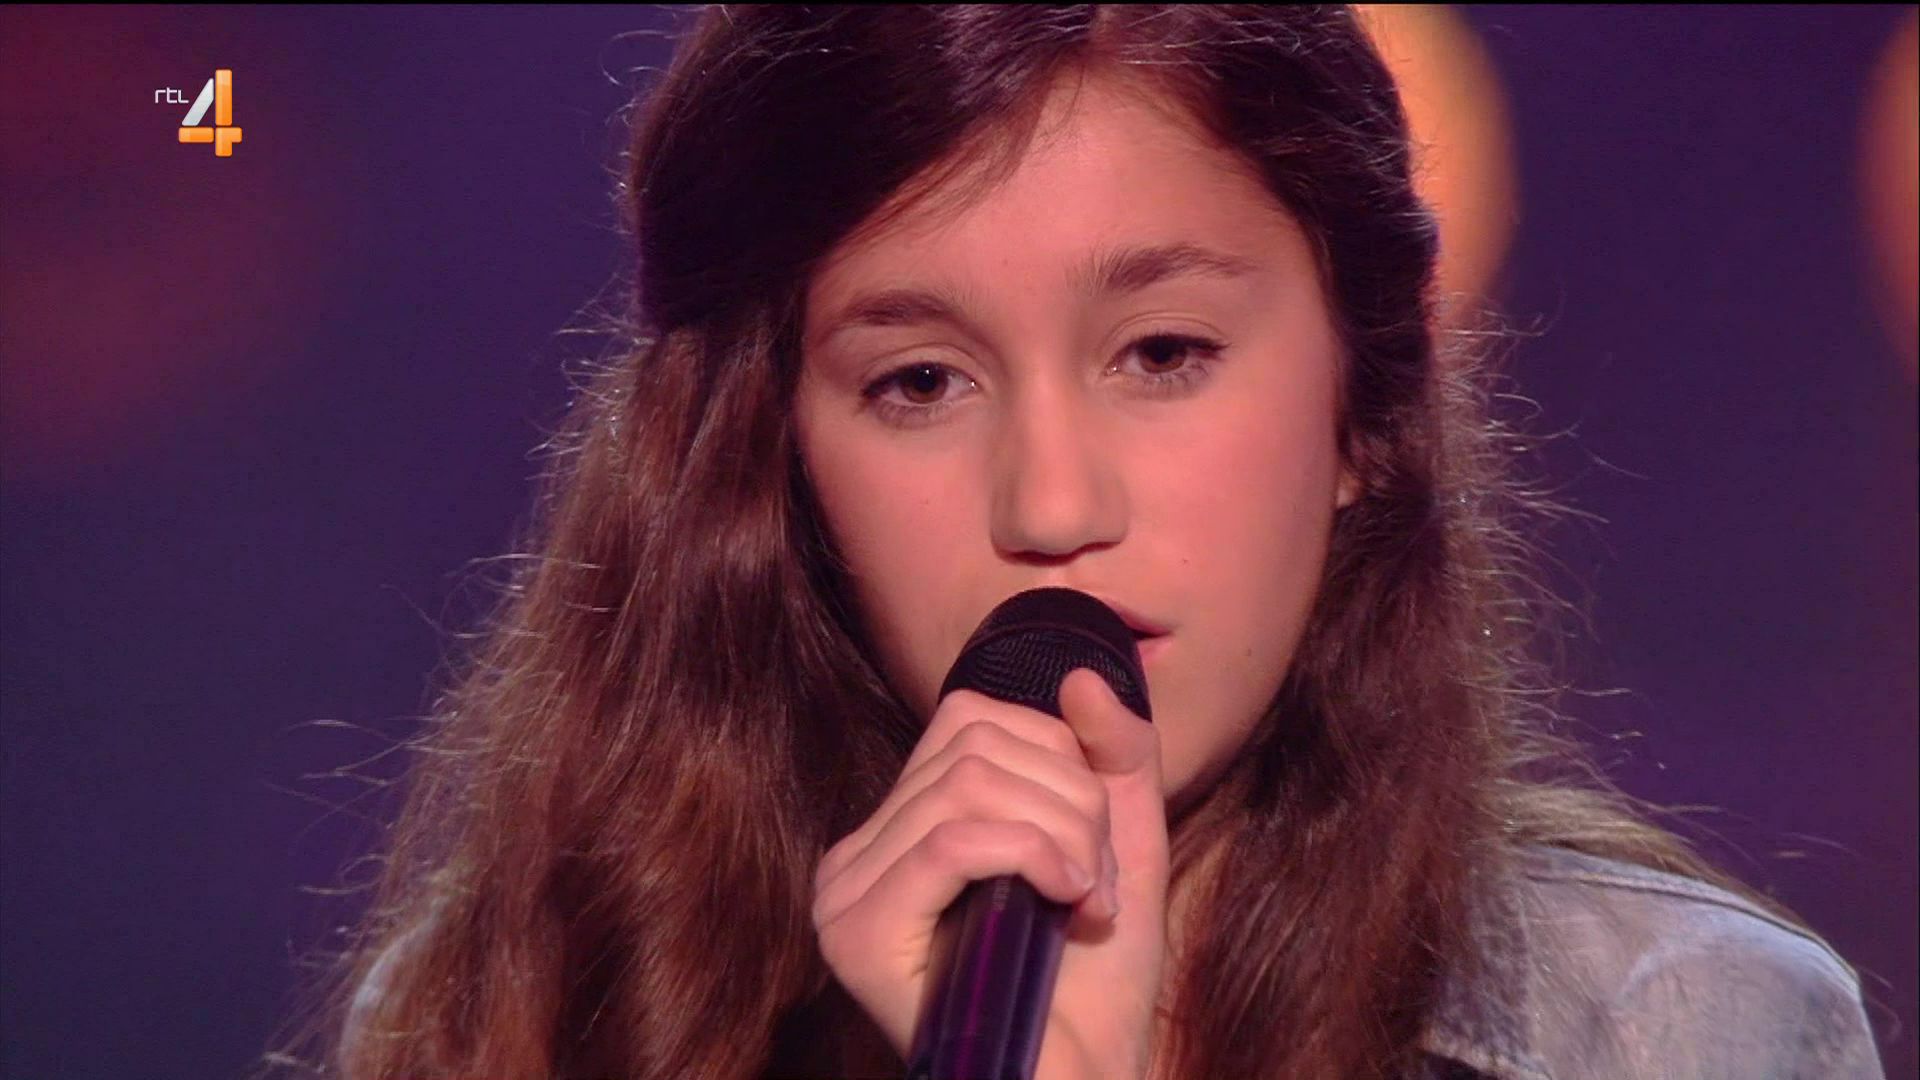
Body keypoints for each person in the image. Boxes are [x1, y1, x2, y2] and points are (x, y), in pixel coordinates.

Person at [287, 7, 1882, 1078]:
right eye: (920, 383)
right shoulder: (516, 1018)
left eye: (1164, 354)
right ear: (776, 465)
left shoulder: (1671, 1031)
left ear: (1364, 406)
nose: (1052, 509)